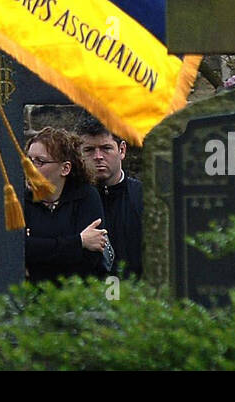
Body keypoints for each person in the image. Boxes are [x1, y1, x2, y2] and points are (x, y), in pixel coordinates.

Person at [23, 126, 111, 284]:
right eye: (29, 160)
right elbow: (18, 249)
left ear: (65, 168)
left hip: (76, 297)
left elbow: (90, 259)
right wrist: (79, 242)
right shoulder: (19, 200)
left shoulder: (86, 196)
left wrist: (38, 251)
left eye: (40, 162)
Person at [76, 115, 144, 279]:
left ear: (122, 150)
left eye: (106, 148)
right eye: (89, 150)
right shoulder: (71, 200)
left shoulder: (145, 197)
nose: (98, 156)